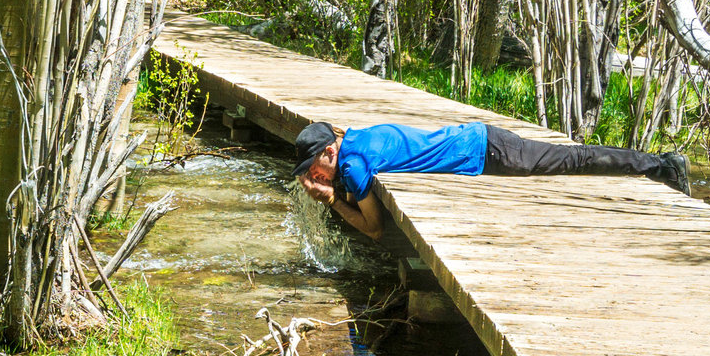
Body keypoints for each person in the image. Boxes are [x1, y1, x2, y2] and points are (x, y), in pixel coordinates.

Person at [294, 119, 689, 240]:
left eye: (314, 170)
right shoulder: (356, 140)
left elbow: (375, 229)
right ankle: (661, 166)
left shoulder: (352, 165)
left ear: (330, 151)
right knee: (573, 158)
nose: (315, 177)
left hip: (488, 151)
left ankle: (663, 167)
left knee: (574, 159)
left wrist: (331, 200)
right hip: (479, 142)